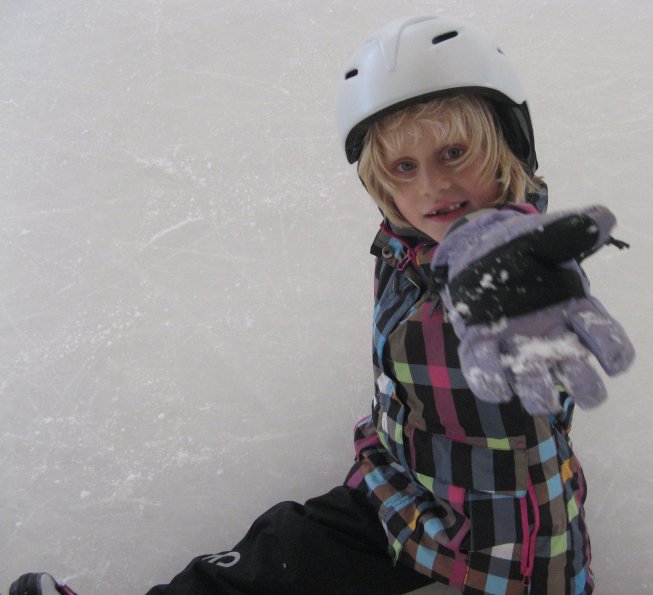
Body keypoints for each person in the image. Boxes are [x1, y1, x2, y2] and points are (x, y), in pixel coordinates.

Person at [8, 15, 634, 595]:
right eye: (404, 167)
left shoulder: (513, 265)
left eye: (453, 154)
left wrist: (516, 302)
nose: (433, 187)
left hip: (505, 549)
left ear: (507, 144)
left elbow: (521, 302)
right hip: (398, 494)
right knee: (270, 553)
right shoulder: (402, 249)